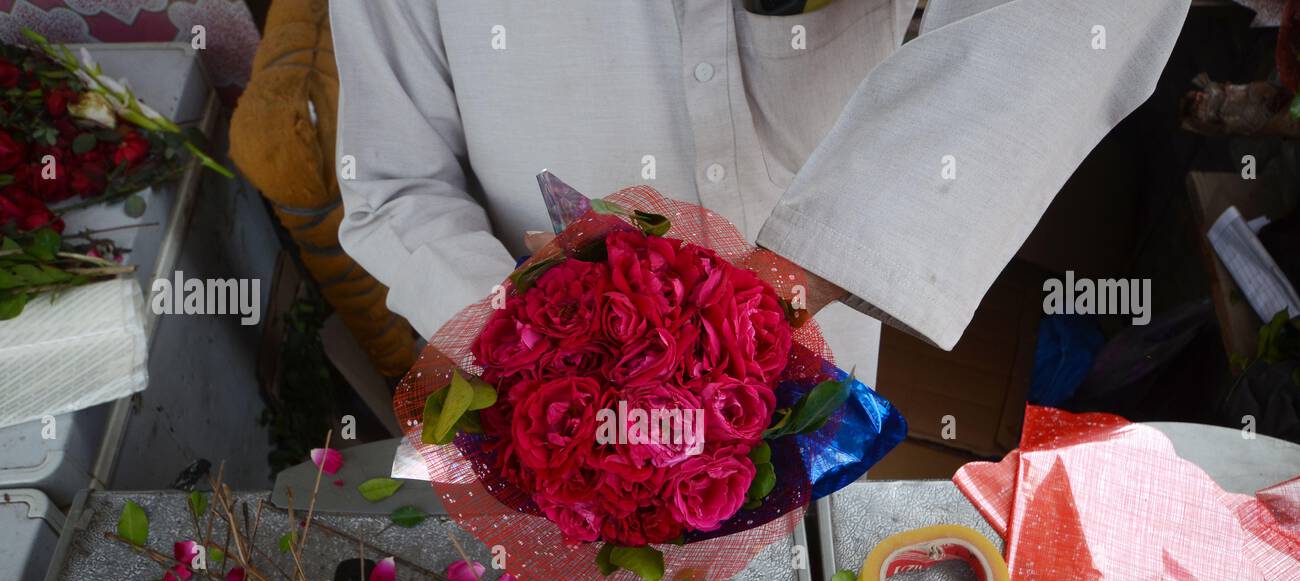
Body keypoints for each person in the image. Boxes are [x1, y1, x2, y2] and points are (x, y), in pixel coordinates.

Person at [331, 0, 1189, 382]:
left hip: (817, 333)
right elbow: (398, 183)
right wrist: (532, 350)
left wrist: (780, 294)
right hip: (559, 396)